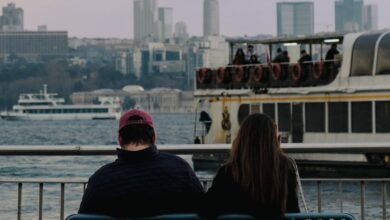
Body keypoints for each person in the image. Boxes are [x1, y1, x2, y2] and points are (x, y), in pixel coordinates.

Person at [79, 109, 204, 218]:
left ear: (120, 139)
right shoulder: (181, 170)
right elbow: (203, 210)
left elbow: (83, 216)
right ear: (154, 137)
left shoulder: (100, 180)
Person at [202, 113, 300, 219]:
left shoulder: (228, 173)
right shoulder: (284, 169)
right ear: (274, 141)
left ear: (241, 139)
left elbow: (206, 210)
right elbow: (293, 210)